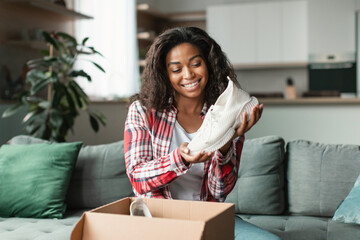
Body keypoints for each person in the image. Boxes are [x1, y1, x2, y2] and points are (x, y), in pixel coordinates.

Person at [124, 27, 280, 240]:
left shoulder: (228, 114)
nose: (188, 75)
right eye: (176, 69)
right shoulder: (143, 111)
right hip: (159, 219)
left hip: (207, 216)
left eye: (196, 64)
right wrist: (180, 159)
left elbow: (220, 192)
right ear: (164, 74)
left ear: (209, 64)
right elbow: (137, 177)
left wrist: (225, 142)